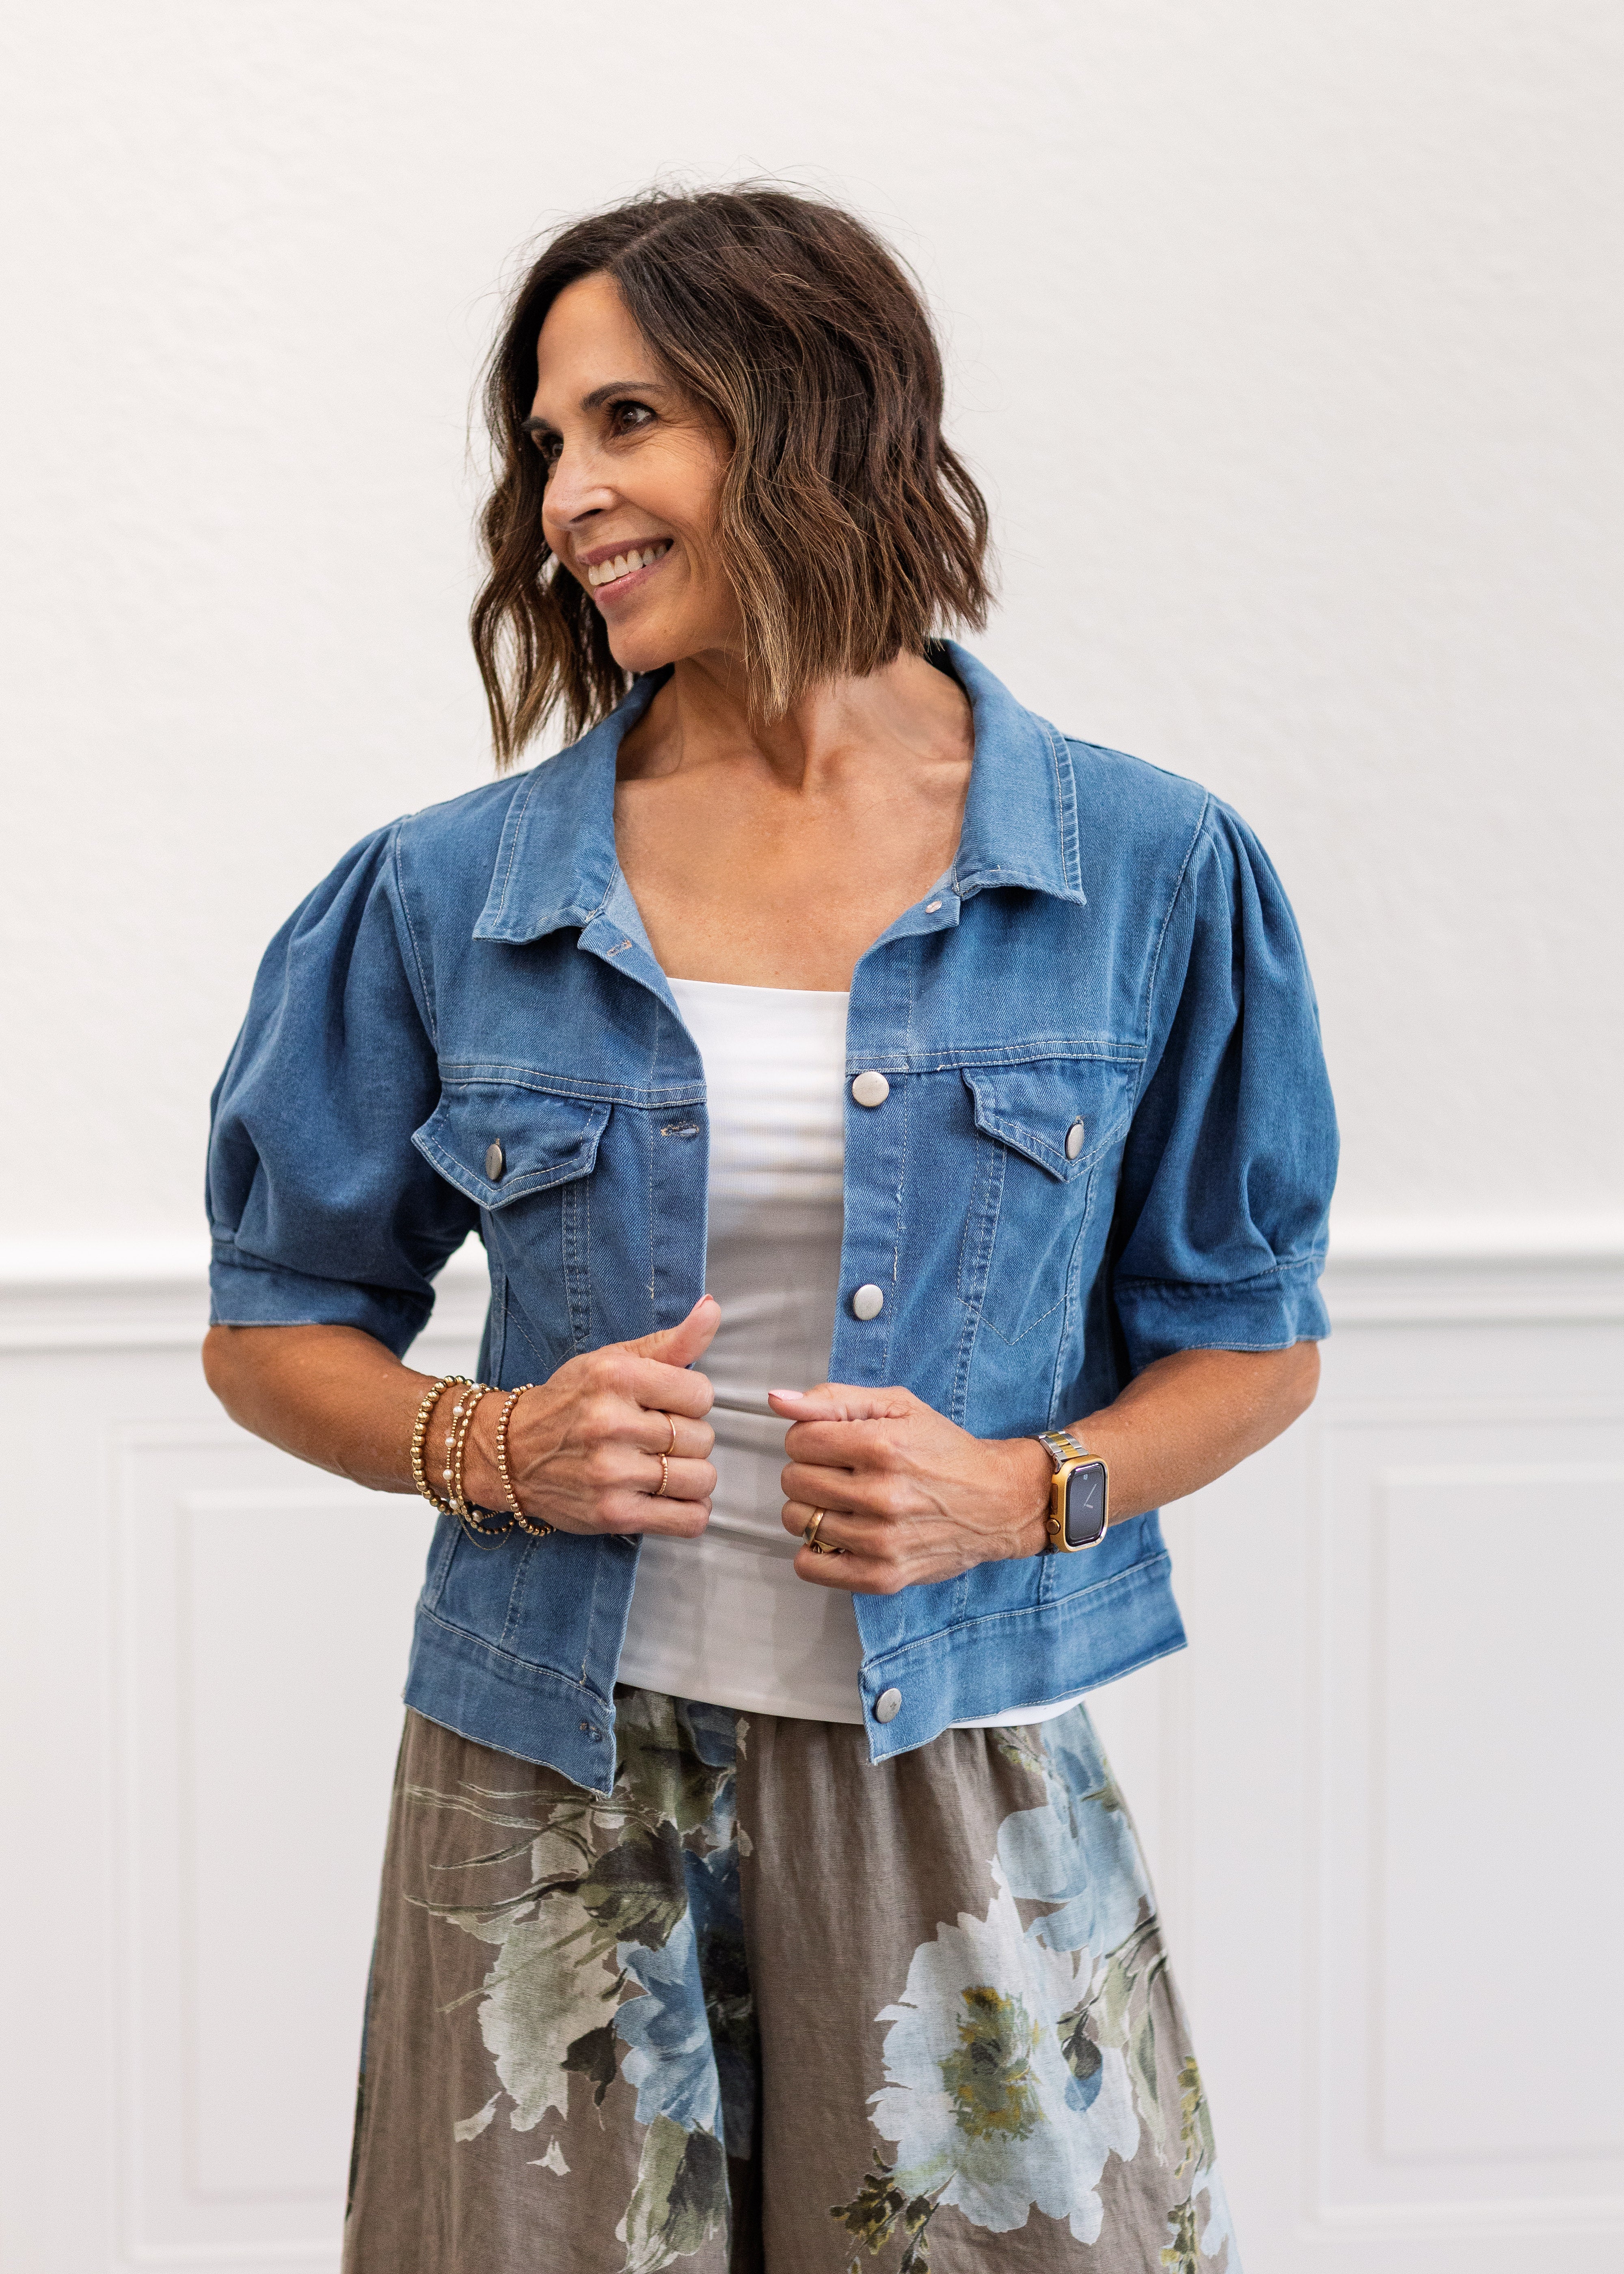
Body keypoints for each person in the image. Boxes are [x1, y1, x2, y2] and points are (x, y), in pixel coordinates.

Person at [203, 186, 1336, 2274]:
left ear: (810, 412)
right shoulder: (445, 892)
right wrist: (490, 1441)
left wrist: (1019, 1487)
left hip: (951, 1753)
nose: (569, 494)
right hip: (545, 1774)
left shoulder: (1149, 869)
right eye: (547, 442)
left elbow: (1251, 1336)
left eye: (627, 420)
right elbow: (274, 1320)